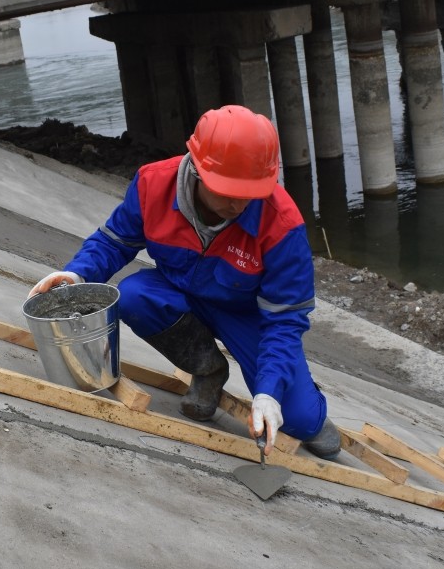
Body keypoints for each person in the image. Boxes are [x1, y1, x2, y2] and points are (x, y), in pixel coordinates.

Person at [28, 104, 340, 459]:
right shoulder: (152, 184)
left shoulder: (282, 226)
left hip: (247, 315)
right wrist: (75, 273)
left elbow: (284, 321)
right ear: (197, 169)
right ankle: (207, 369)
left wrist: (268, 393)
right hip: (180, 295)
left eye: (248, 193)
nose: (238, 205)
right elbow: (113, 242)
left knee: (300, 419)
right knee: (131, 295)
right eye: (228, 190)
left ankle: (303, 400)